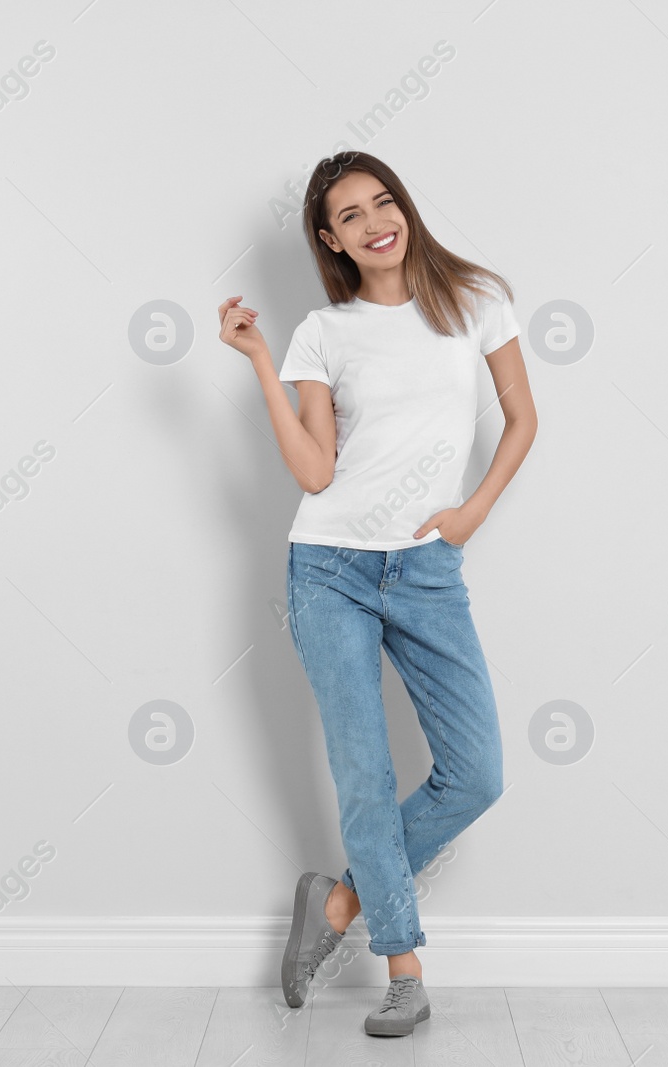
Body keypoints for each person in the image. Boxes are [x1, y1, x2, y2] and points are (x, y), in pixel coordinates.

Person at [217, 150, 538, 1038]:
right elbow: (315, 469)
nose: (373, 222)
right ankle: (404, 972)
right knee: (366, 775)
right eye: (349, 216)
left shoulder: (476, 298)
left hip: (429, 567)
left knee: (476, 773)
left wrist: (471, 512)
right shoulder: (322, 331)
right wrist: (257, 361)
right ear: (331, 239)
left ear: (403, 208)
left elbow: (523, 416)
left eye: (382, 202)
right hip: (329, 568)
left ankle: (335, 905)